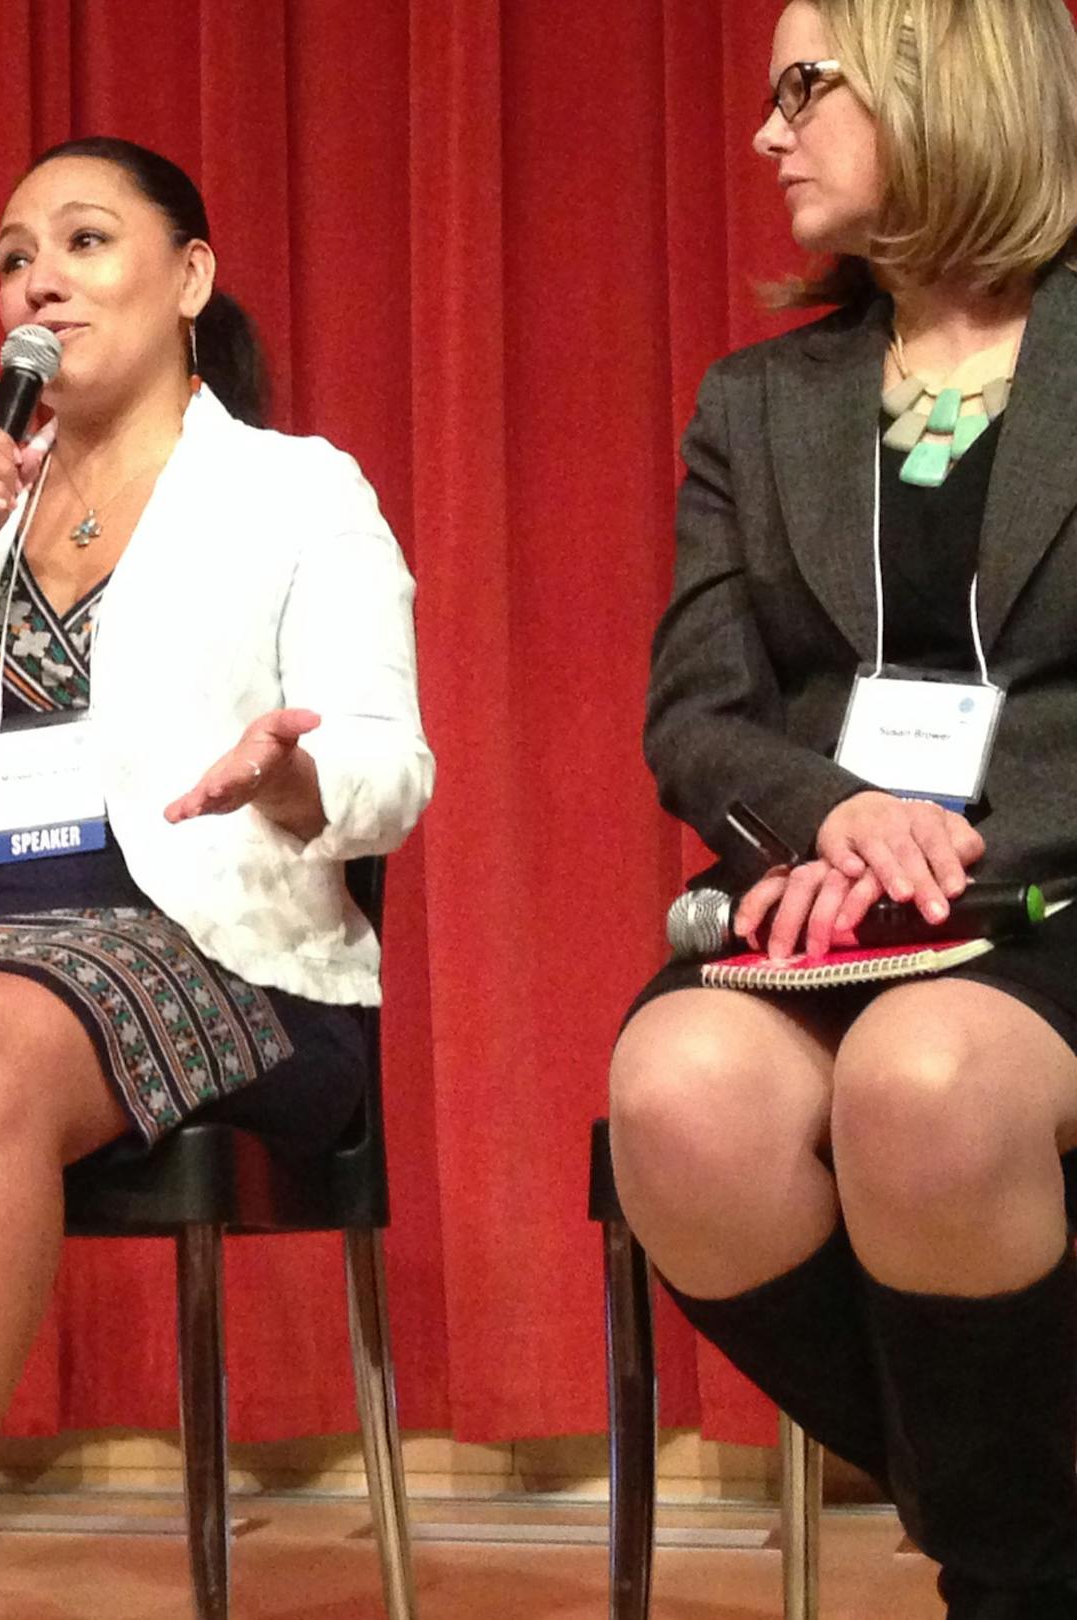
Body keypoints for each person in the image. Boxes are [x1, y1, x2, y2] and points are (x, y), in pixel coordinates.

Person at [0, 136, 431, 1620]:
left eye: (86, 241)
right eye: (13, 256)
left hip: (215, 942)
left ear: (191, 278)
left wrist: (292, 778)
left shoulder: (295, 491)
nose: (38, 279)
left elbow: (392, 768)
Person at [608, 3, 1077, 1613]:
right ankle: (1026, 1543)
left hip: (1056, 901)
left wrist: (952, 852)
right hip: (840, 905)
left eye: (805, 87)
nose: (767, 133)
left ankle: (1006, 1578)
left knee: (924, 1078)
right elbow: (697, 715)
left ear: (948, 78)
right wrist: (833, 819)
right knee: (678, 1097)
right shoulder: (760, 400)